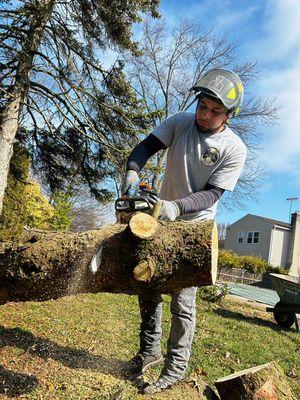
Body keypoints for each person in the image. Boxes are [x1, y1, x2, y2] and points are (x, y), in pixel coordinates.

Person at [121, 68, 247, 394]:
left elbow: (212, 194)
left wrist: (177, 207)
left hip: (196, 228)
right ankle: (149, 351)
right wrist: (133, 173)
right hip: (162, 217)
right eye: (202, 106)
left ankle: (175, 367)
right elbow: (145, 147)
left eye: (215, 111)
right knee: (147, 281)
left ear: (228, 114)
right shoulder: (179, 122)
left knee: (182, 300)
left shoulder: (234, 148)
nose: (205, 115)